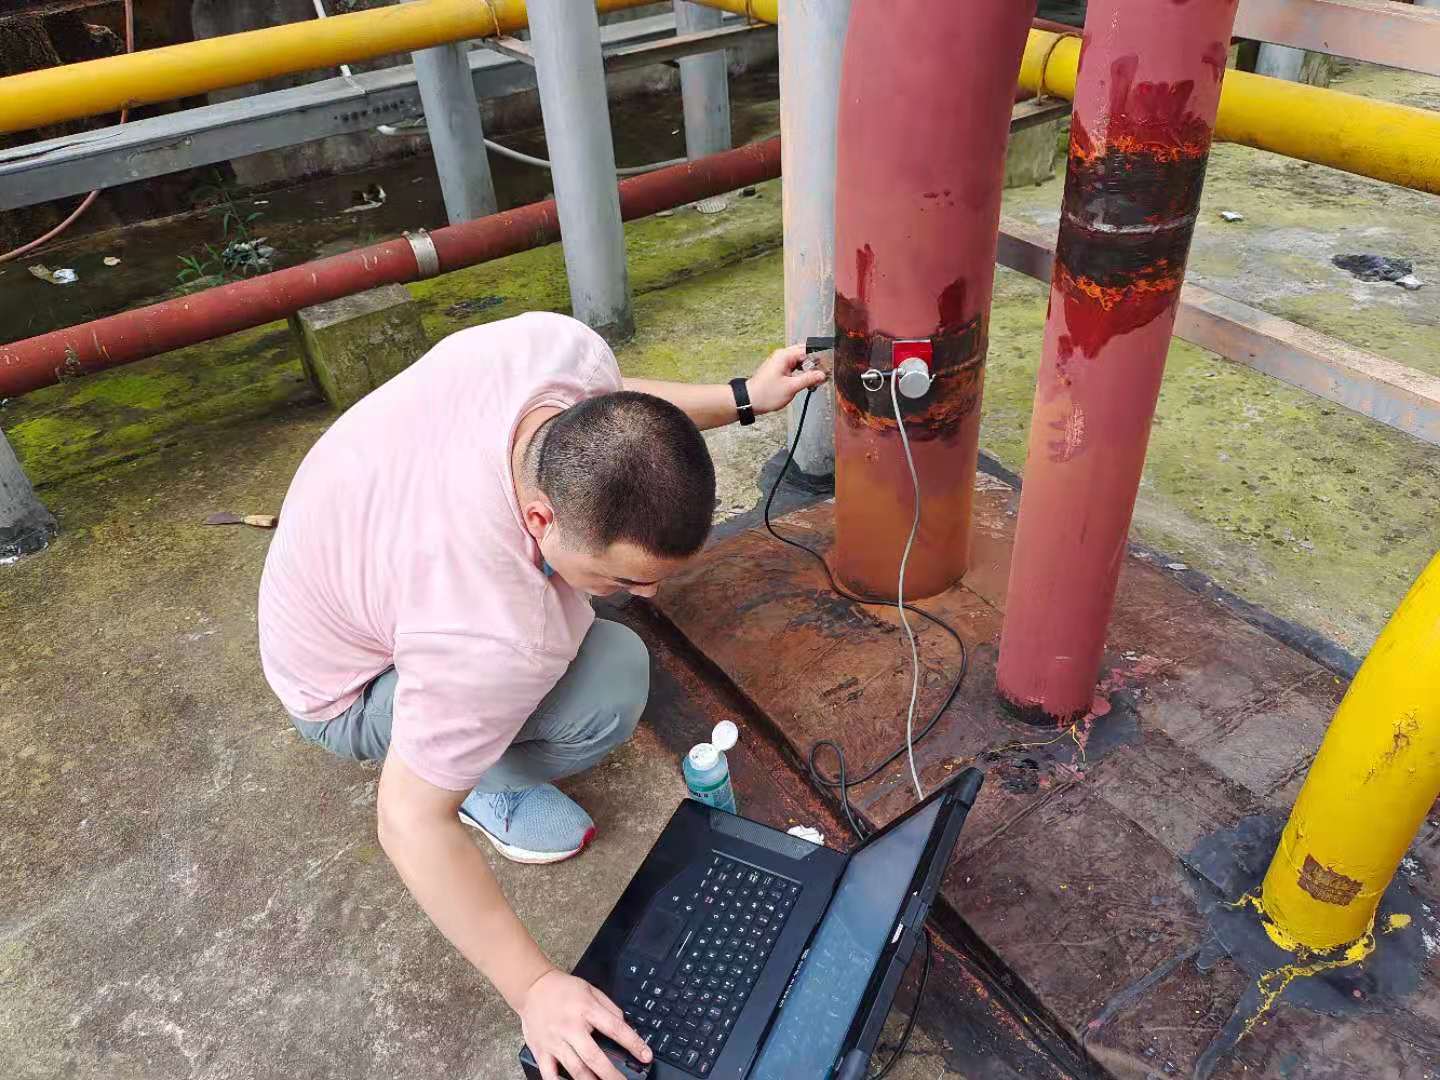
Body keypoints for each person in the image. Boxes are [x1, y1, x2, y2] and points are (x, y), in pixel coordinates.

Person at [258, 311, 825, 1080]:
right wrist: (535, 988)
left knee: (598, 637)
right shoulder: (496, 632)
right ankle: (475, 781)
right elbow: (403, 822)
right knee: (612, 682)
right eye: (626, 577)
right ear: (537, 517)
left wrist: (741, 398)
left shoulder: (558, 355)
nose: (648, 592)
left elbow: (616, 409)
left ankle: (459, 740)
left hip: (342, 561)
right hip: (343, 689)